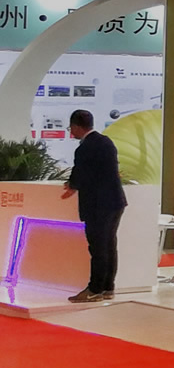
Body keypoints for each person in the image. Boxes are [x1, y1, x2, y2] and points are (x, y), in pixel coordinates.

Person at [62, 109, 126, 303]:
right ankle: (108, 287)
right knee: (109, 246)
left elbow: (80, 174)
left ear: (75, 127)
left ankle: (94, 289)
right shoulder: (106, 142)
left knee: (98, 248)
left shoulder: (85, 148)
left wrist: (72, 185)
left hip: (98, 205)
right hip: (115, 202)